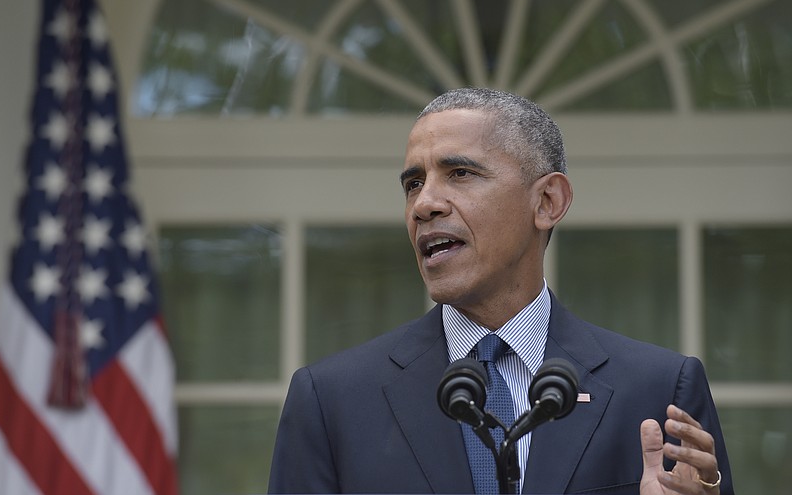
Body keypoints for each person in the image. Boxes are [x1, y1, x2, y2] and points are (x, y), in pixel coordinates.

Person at [268, 88, 733, 494]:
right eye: (413, 184)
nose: (424, 204)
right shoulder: (332, 401)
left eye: (460, 173)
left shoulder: (658, 390)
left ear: (548, 202)